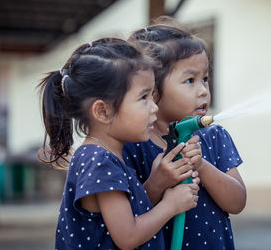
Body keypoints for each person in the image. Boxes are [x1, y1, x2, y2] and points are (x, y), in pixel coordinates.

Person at [38, 37, 200, 249]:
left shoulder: (105, 156)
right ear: (103, 111)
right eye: (143, 98)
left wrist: (158, 183)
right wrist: (170, 205)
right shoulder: (99, 160)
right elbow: (128, 236)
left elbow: (126, 215)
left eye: (152, 96)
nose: (154, 108)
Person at [123, 16, 247, 249]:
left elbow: (237, 202)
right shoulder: (133, 144)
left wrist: (201, 165)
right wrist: (157, 184)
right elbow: (128, 219)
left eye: (206, 79)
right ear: (152, 89)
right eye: (190, 80)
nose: (203, 91)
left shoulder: (214, 136)